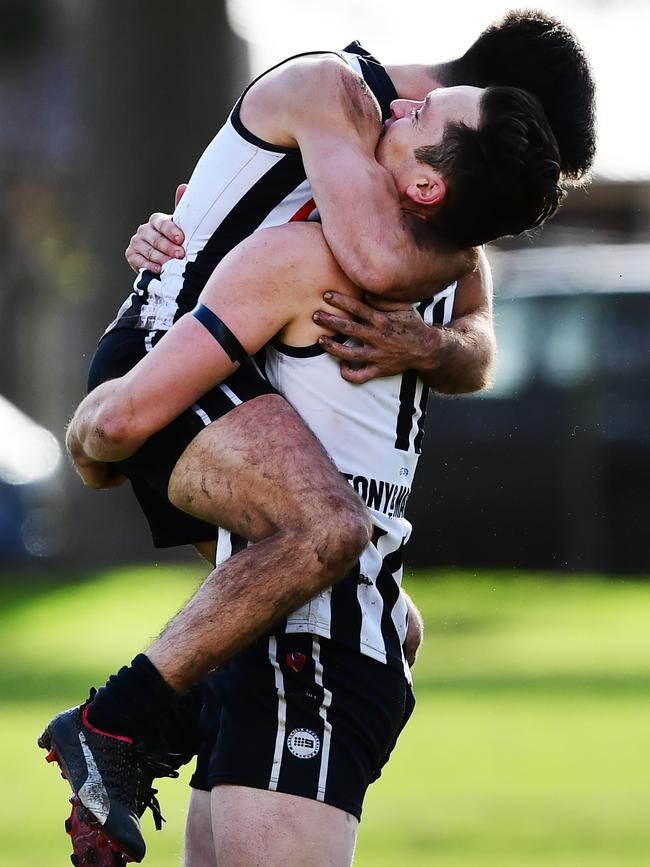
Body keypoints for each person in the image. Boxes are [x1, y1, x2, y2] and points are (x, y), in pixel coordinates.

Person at [40, 12, 595, 865]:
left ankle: (162, 716)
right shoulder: (334, 99)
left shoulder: (429, 209)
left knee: (387, 613)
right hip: (167, 357)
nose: (529, 176)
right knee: (327, 532)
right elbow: (371, 262)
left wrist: (436, 339)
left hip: (232, 376)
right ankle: (117, 722)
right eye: (525, 160)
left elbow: (479, 341)